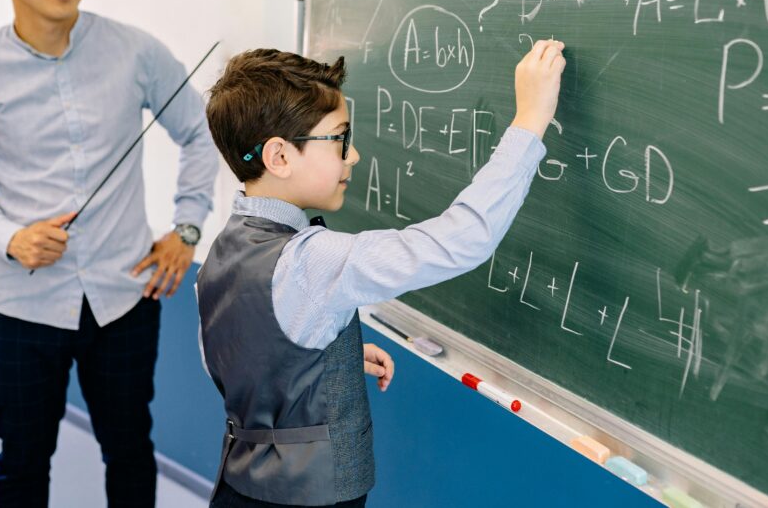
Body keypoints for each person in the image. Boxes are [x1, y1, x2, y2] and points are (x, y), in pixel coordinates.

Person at [0, 0, 218, 507]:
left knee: (131, 450)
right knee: (24, 461)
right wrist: (11, 237)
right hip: (22, 311)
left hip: (124, 300)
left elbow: (199, 132)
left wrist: (187, 228)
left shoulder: (135, 50)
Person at [197, 39, 566, 507]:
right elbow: (463, 238)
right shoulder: (310, 260)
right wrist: (530, 121)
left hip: (241, 486)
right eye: (340, 139)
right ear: (280, 156)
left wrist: (327, 356)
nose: (352, 157)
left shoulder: (227, 245)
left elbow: (242, 349)